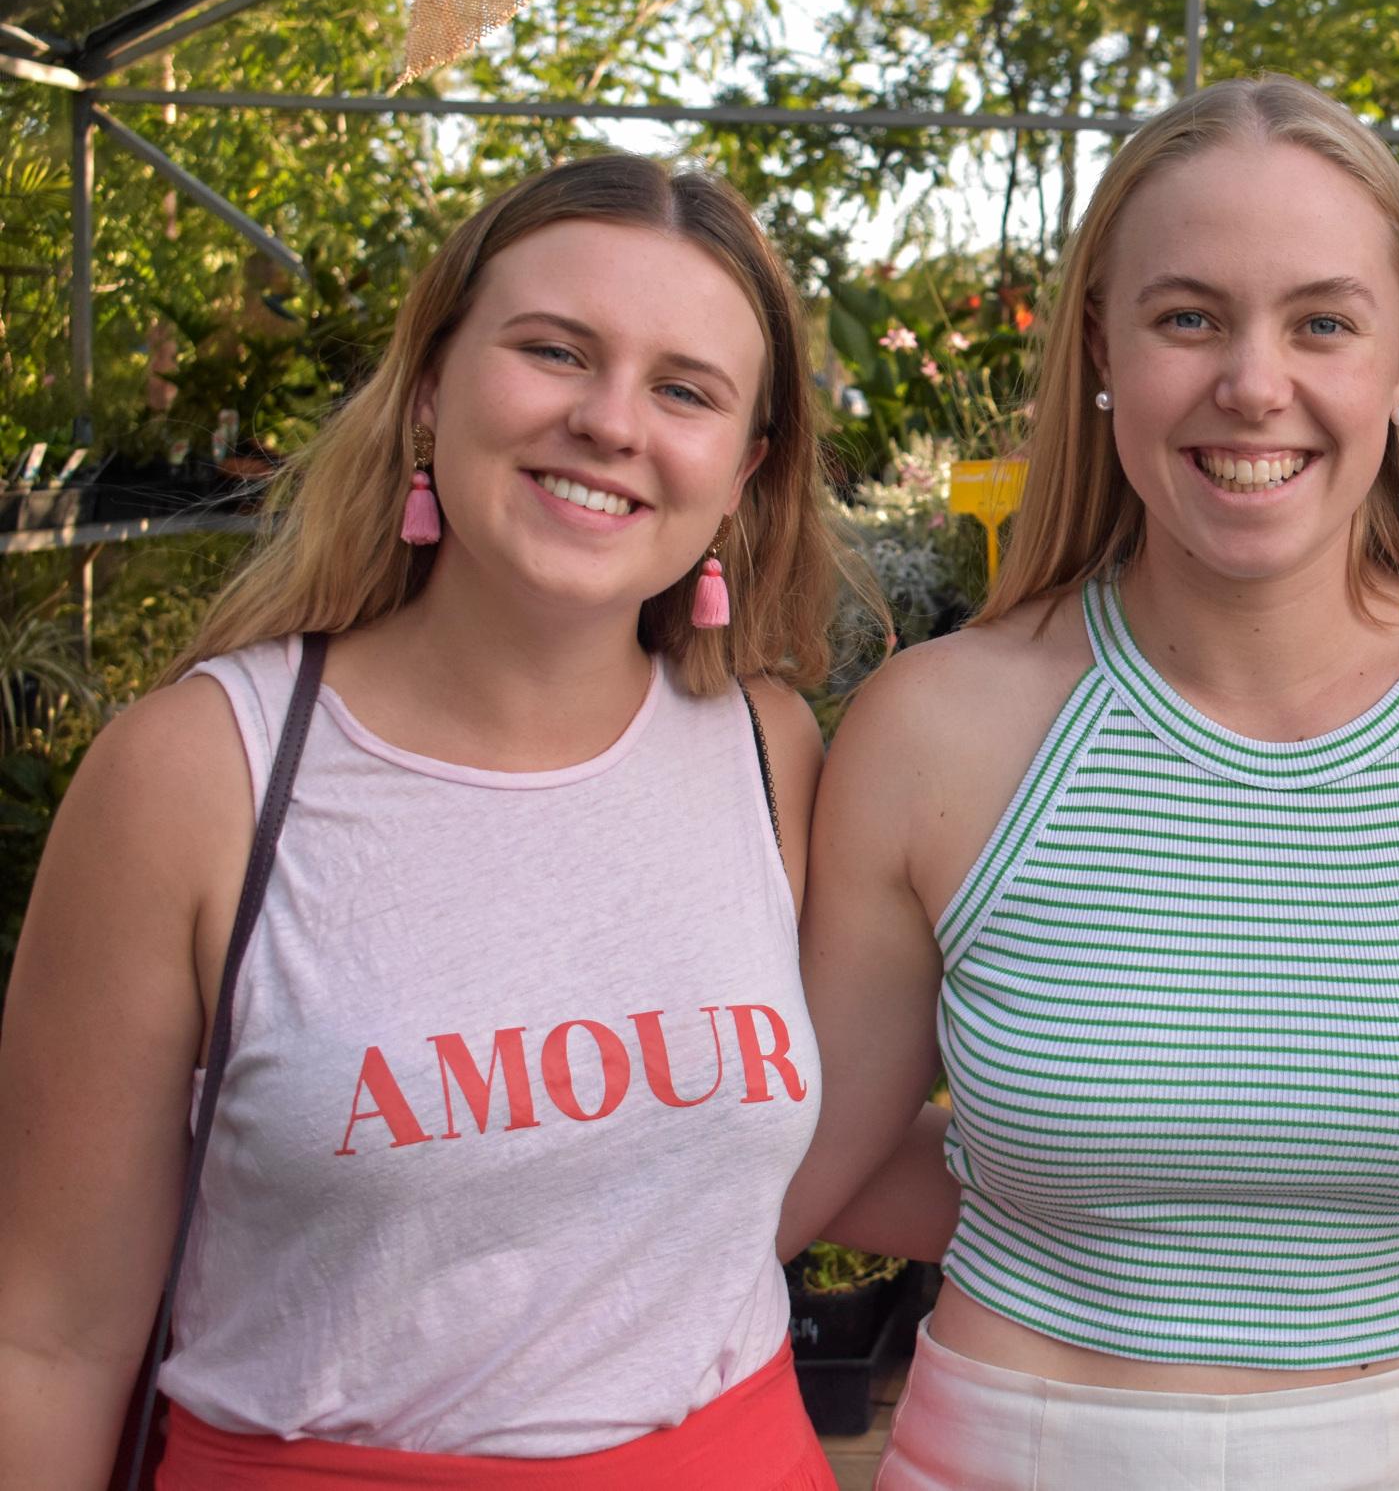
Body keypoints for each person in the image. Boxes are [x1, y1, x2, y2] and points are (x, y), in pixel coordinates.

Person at [779, 74, 1399, 1491]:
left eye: (1321, 321)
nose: (1255, 382)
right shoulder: (934, 728)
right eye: (1189, 316)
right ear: (1100, 346)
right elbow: (799, 1159)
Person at [0, 156, 874, 1489]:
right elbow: (51, 1335)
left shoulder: (769, 749)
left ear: (747, 473)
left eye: (682, 389)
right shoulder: (196, 775)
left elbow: (831, 1151)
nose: (609, 420)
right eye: (553, 351)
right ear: (430, 387)